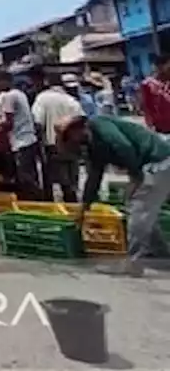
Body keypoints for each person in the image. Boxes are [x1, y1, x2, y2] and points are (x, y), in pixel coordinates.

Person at [60, 113, 170, 276]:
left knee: (139, 209)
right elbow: (94, 178)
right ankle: (162, 255)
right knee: (142, 211)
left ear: (77, 129)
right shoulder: (94, 146)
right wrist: (84, 208)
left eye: (70, 137)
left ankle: (134, 263)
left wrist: (135, 175)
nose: (73, 143)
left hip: (157, 160)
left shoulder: (99, 124)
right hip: (153, 164)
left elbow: (122, 145)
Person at [32, 79, 83, 202]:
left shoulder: (42, 98)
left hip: (52, 144)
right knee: (71, 179)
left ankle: (50, 204)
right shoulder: (70, 100)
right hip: (71, 145)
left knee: (51, 180)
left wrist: (39, 144)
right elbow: (81, 118)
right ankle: (72, 204)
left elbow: (37, 122)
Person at [0, 72, 42, 200]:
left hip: (21, 141)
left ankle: (32, 202)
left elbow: (8, 122)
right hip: (29, 139)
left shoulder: (9, 97)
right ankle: (38, 200)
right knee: (31, 174)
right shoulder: (20, 94)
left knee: (25, 176)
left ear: (4, 81)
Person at [140, 54, 170, 135]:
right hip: (161, 128)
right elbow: (147, 107)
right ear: (159, 67)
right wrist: (150, 126)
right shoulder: (148, 84)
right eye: (168, 67)